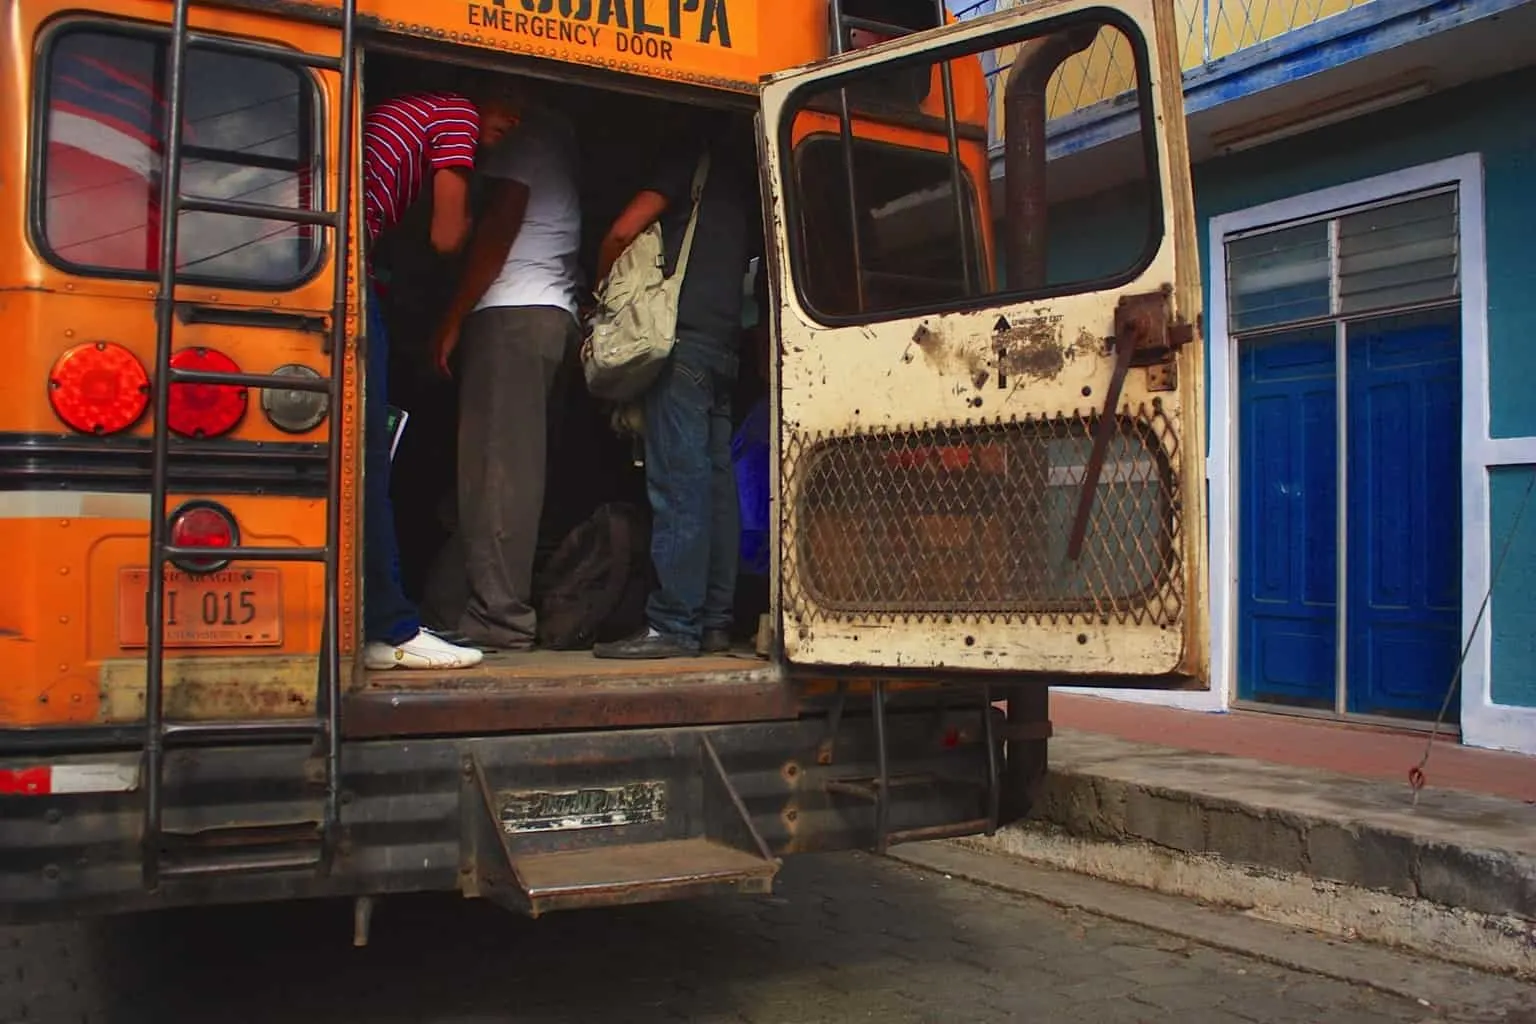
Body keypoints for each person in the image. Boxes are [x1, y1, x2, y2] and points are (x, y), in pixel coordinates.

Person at [360, 85, 519, 671]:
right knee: (373, 456)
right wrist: (478, 211)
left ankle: (367, 621)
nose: (512, 120)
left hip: (328, 253)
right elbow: (446, 236)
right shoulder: (455, 114)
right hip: (347, 264)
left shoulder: (406, 111)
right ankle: (390, 625)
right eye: (508, 105)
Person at [424, 86, 583, 652]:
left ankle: (501, 618)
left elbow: (496, 230)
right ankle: (449, 607)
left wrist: (452, 317)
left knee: (497, 476)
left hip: (512, 313)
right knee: (490, 472)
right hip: (546, 316)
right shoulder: (561, 145)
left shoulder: (528, 139)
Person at [592, 115, 754, 660]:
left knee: (678, 486)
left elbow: (622, 230)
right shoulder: (749, 175)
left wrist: (600, 293)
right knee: (715, 488)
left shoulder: (689, 153)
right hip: (724, 345)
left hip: (679, 341)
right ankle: (713, 621)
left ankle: (673, 624)